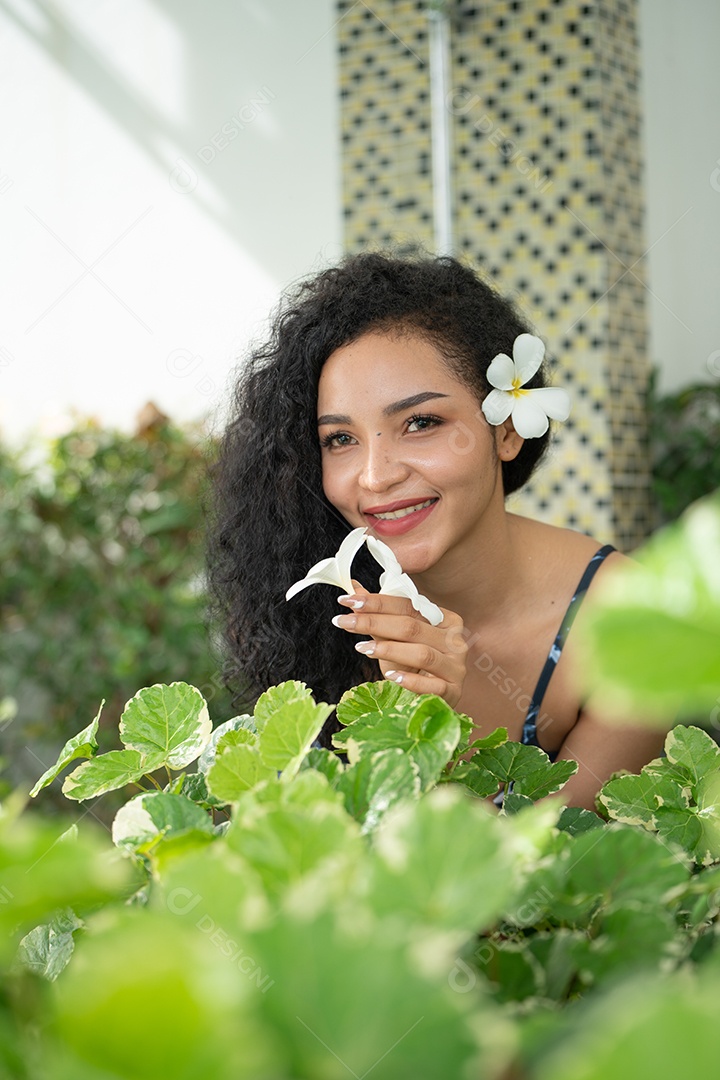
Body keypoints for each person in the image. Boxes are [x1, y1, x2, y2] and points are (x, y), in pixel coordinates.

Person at [208, 252, 664, 810]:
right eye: (340, 439)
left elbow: (541, 880)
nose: (376, 477)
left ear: (505, 433)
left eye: (420, 423)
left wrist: (435, 735)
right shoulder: (316, 614)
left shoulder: (633, 623)